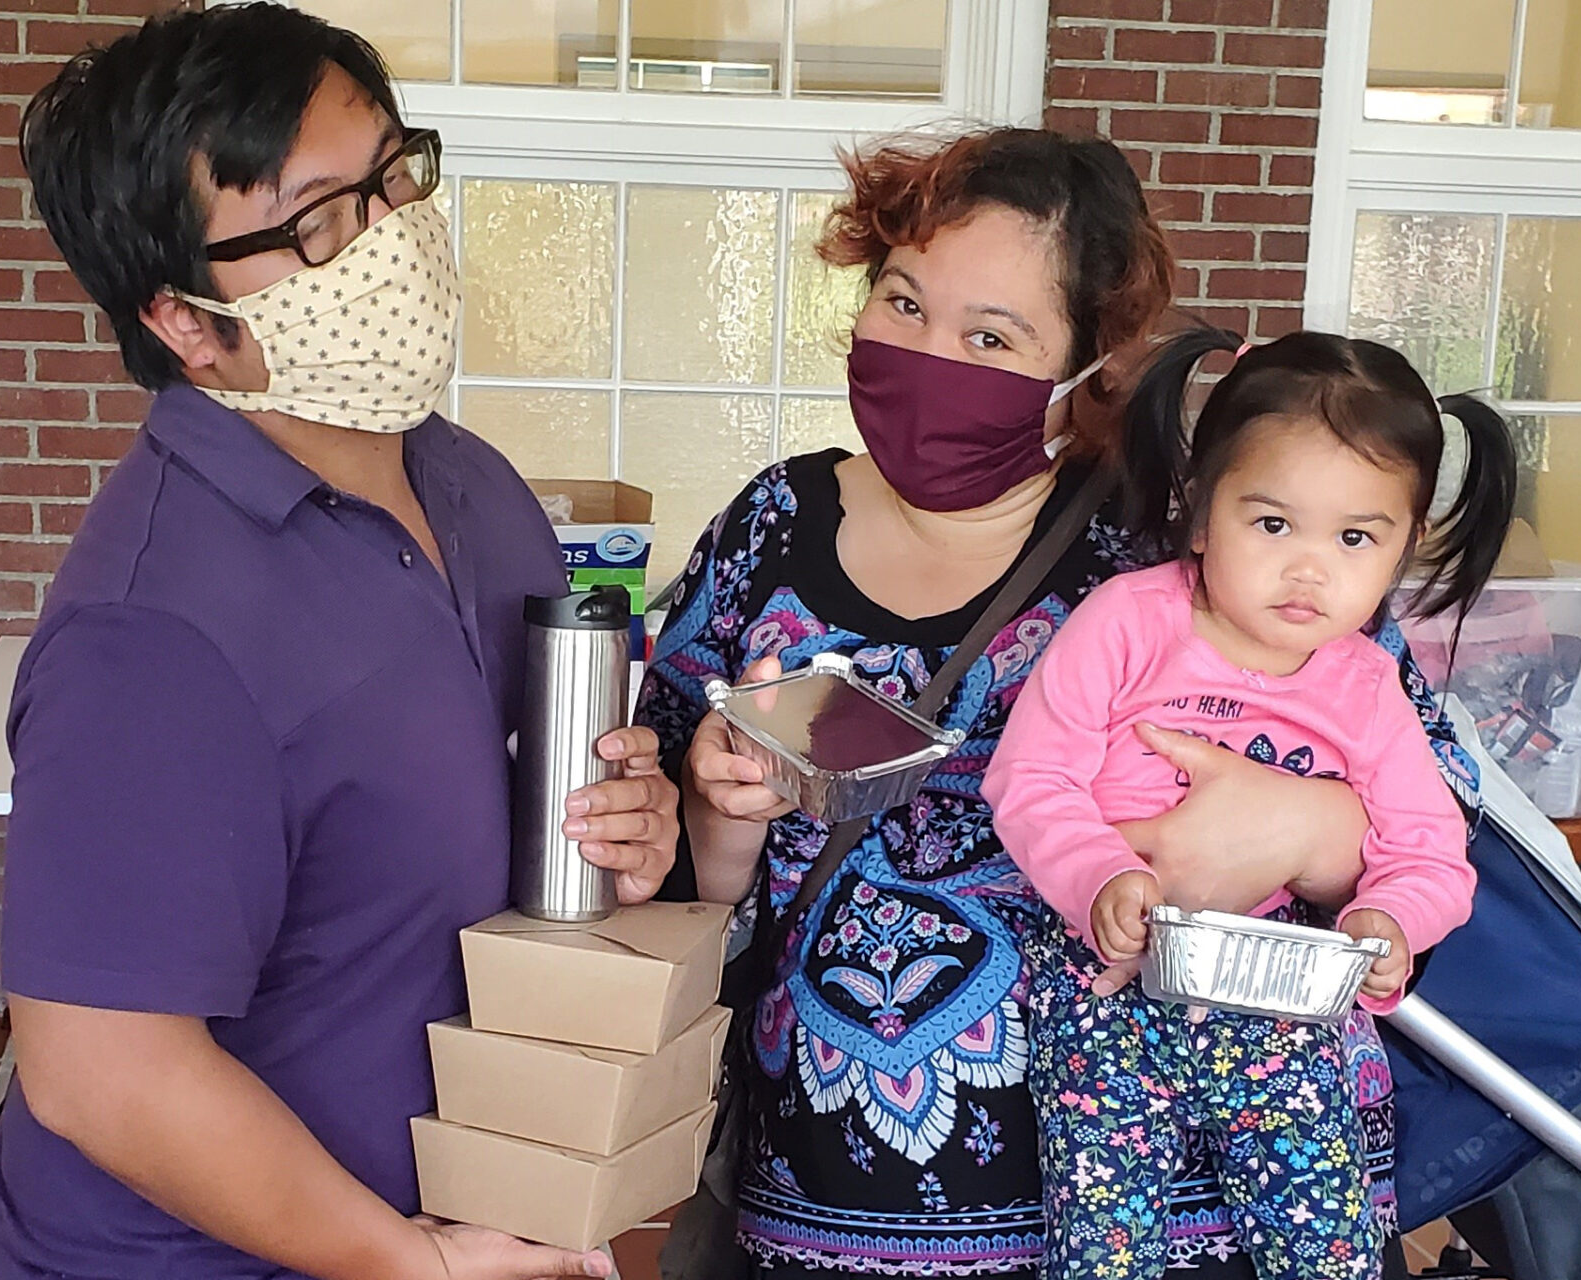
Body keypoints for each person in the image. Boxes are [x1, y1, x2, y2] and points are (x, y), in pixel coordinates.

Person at [636, 130, 1483, 1278]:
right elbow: (666, 880)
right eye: (902, 301)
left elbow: (1433, 805)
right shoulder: (771, 526)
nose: (930, 354)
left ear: (1087, 367)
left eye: (992, 335)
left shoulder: (1190, 541)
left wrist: (1303, 827)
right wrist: (718, 816)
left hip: (1205, 1204)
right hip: (832, 1207)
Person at [0, 7, 678, 1279]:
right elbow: (100, 1068)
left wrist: (628, 829)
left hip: (459, 1211)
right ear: (187, 323)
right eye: (315, 223)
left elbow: (490, 826)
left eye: (389, 178)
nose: (389, 241)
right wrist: (413, 1262)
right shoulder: (153, 633)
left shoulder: (468, 482)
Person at [985, 329, 1516, 1280]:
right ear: (1199, 514)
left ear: (1405, 548)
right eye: (1272, 525)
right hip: (1108, 989)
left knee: (1327, 1244)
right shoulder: (1126, 623)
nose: (1310, 569)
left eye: (1356, 537)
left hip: (1279, 1004)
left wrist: (1391, 919)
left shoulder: (1365, 685)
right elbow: (1030, 780)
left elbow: (1430, 851)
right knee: (1103, 1250)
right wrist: (1100, 875)